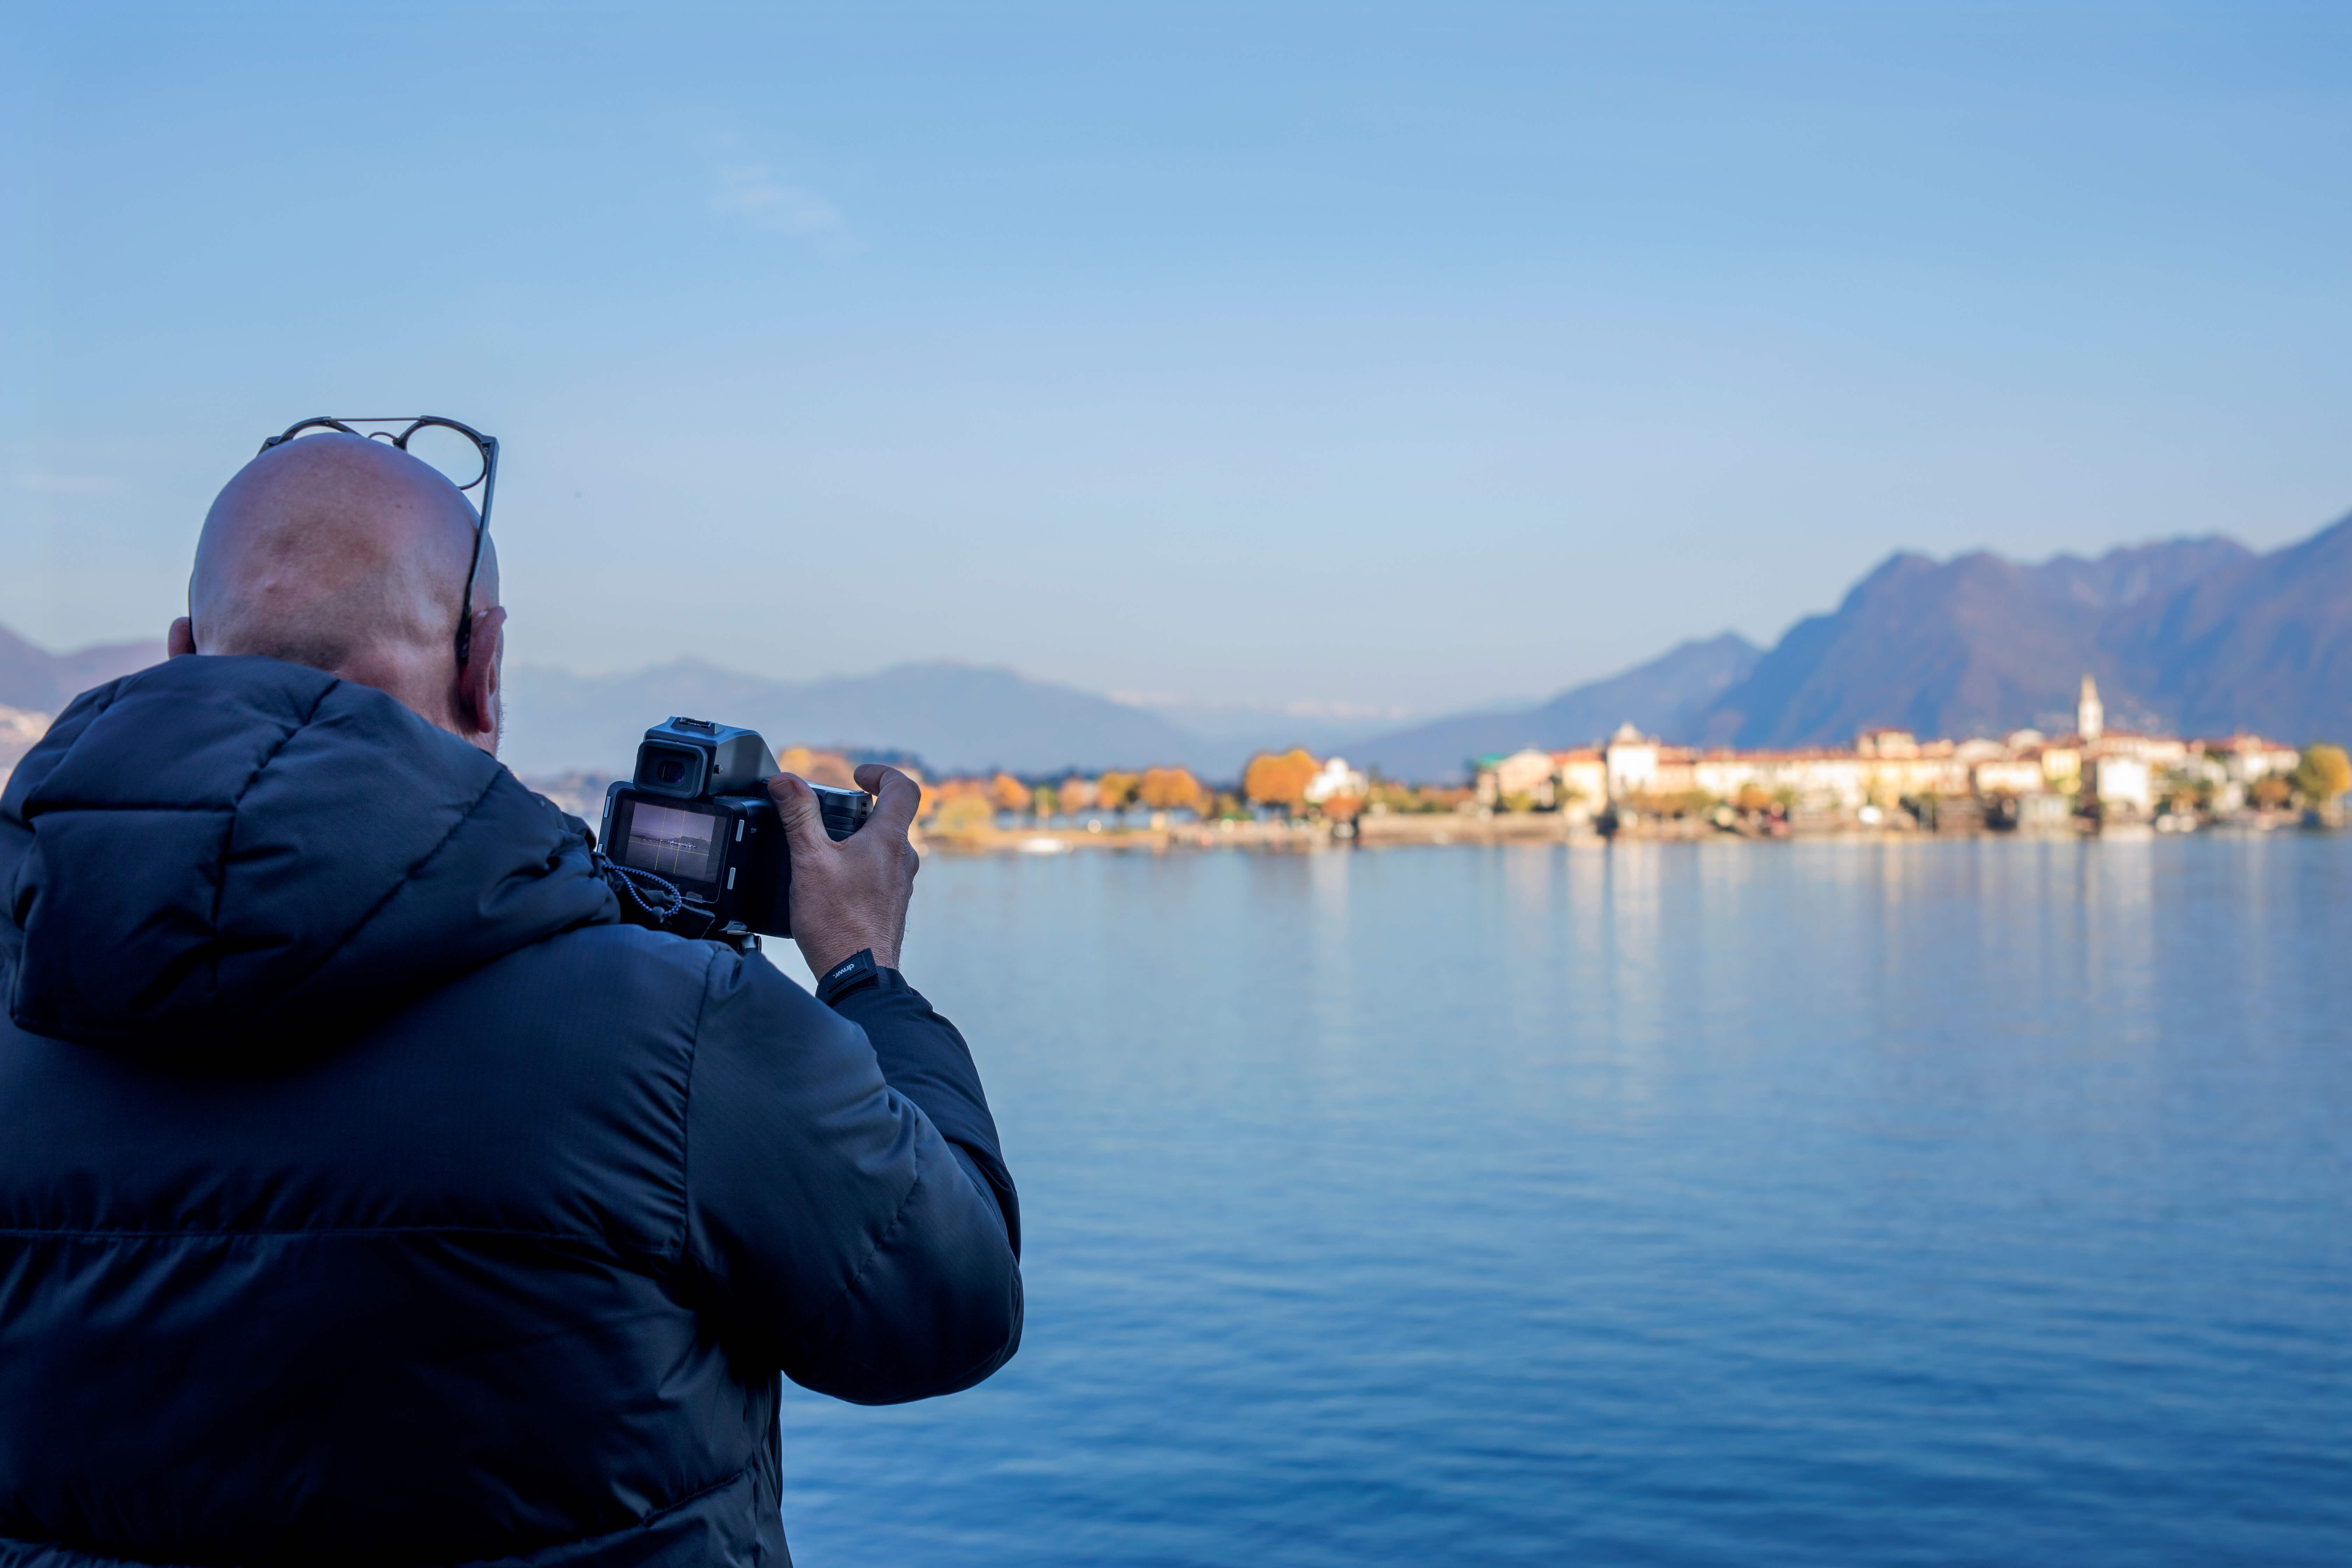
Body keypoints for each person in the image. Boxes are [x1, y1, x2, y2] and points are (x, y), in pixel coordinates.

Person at [0, 430, 1021, 1566]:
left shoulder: (15, 989)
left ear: (187, 653)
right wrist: (867, 980)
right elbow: (954, 1301)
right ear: (484, 668)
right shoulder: (676, 1035)